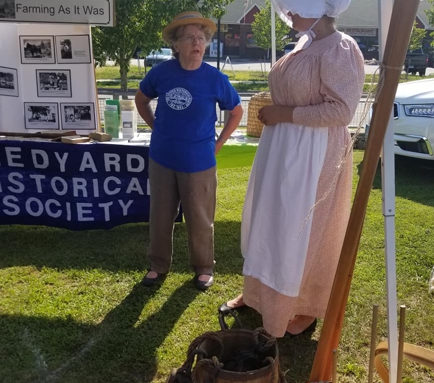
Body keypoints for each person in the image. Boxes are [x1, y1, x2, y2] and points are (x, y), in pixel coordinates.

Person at [219, 0, 365, 337]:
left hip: (313, 155)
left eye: (294, 5)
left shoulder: (341, 48)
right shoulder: (306, 44)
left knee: (298, 231)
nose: (288, 12)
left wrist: (284, 114)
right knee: (270, 222)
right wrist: (281, 114)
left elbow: (341, 112)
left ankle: (302, 306)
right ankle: (259, 294)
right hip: (284, 148)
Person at [135, 11, 243, 290]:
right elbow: (141, 98)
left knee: (200, 218)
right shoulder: (160, 73)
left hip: (199, 160)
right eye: (190, 38)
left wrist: (219, 143)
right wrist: (155, 126)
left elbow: (236, 111)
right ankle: (158, 265)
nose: (197, 43)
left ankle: (204, 267)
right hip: (162, 158)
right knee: (160, 213)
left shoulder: (215, 78)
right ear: (177, 45)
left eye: (201, 38)